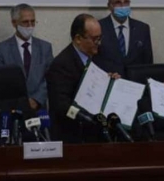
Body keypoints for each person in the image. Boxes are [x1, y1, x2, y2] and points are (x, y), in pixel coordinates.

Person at [46, 13, 119, 143]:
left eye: (100, 38)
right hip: (73, 136)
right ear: (78, 38)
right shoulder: (61, 64)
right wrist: (87, 117)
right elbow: (61, 105)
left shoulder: (99, 56)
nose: (99, 43)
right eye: (95, 39)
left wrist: (110, 82)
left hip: (97, 134)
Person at [0, 3, 53, 111]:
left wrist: (36, 99)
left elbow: (51, 77)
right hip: (13, 108)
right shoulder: (1, 49)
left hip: (39, 108)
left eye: (33, 21)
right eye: (25, 22)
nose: (30, 26)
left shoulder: (45, 47)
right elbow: (0, 81)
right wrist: (22, 103)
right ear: (14, 23)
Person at [94, 0, 153, 77]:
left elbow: (148, 63)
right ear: (109, 6)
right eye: (118, 2)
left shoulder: (142, 29)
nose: (123, 6)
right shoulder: (99, 27)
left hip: (135, 83)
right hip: (109, 81)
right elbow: (94, 61)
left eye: (126, 2)